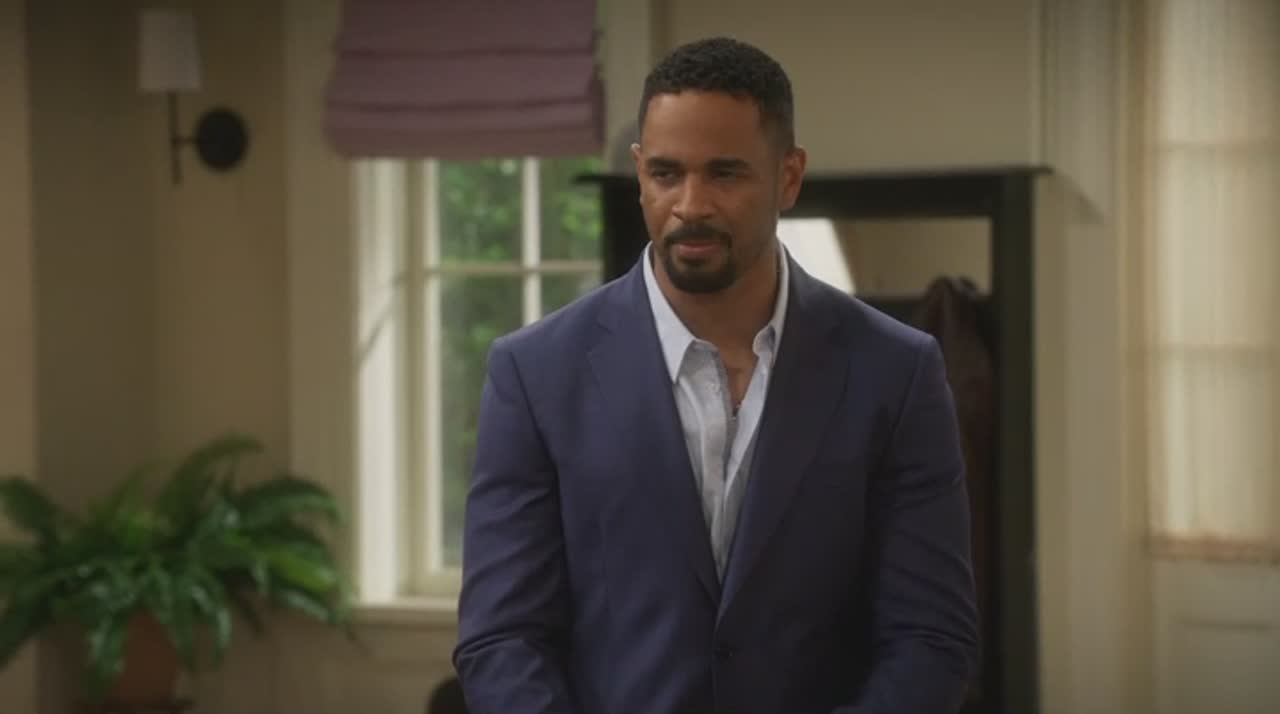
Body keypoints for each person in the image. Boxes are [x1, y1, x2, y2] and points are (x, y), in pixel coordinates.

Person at [453, 36, 979, 714]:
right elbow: (502, 640)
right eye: (666, 173)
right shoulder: (534, 374)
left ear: (789, 176)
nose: (691, 204)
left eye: (725, 174)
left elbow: (930, 638)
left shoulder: (896, 372)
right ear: (639, 173)